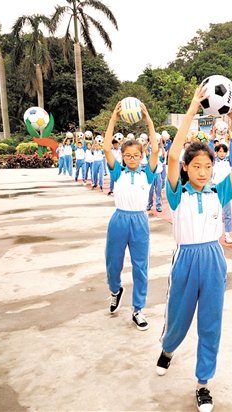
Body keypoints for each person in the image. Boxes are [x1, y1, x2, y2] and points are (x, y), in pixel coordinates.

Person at [156, 86, 232, 412]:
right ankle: (167, 348)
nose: (203, 172)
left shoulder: (217, 193)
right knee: (179, 320)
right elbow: (170, 155)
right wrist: (193, 108)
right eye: (196, 166)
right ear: (186, 169)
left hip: (213, 259)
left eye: (207, 167)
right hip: (185, 259)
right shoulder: (176, 194)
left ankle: (203, 383)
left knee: (210, 323)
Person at [103, 101, 158, 331]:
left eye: (136, 155)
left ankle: (138, 309)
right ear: (123, 156)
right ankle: (115, 290)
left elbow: (155, 149)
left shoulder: (148, 174)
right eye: (127, 155)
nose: (131, 158)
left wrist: (147, 118)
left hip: (139, 221)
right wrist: (113, 119)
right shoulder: (118, 172)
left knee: (140, 266)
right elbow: (107, 148)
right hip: (119, 220)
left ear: (141, 156)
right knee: (113, 263)